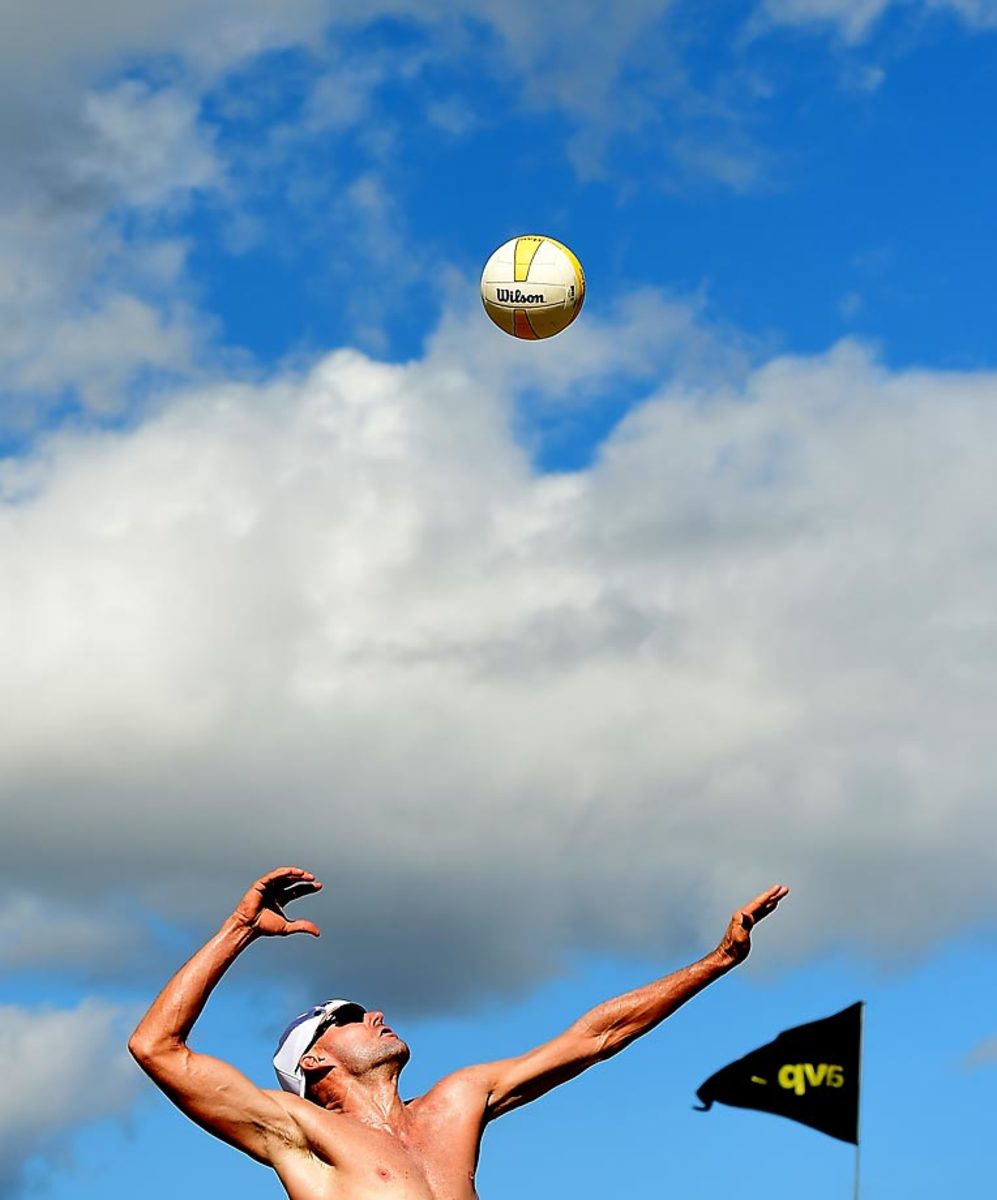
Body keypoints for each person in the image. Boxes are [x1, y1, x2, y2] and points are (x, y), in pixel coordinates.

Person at [129, 866, 789, 1200]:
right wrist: (240, 929)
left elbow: (597, 1037)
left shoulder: (455, 1103)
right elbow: (156, 1048)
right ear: (317, 1064)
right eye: (350, 1015)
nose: (375, 1014)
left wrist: (716, 962)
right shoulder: (301, 1134)